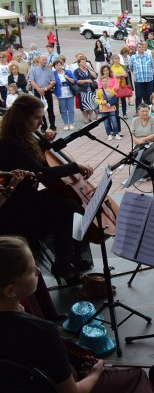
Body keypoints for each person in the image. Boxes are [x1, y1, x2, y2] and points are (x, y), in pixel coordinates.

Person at [0, 236, 154, 393]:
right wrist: (95, 373)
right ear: (10, 290)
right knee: (135, 376)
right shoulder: (42, 333)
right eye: (30, 269)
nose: (38, 270)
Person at [0, 96, 94, 283]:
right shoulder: (11, 143)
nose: (41, 122)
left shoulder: (23, 137)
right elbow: (42, 172)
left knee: (68, 203)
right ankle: (63, 264)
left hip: (26, 196)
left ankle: (69, 260)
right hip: (14, 204)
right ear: (21, 118)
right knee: (69, 207)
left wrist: (43, 144)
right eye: (37, 118)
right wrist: (75, 166)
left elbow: (38, 162)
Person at [95, 66, 121, 140]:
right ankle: (109, 134)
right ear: (101, 82)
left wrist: (110, 103)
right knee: (106, 122)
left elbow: (114, 98)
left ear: (108, 82)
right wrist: (101, 102)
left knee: (114, 120)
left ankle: (116, 133)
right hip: (103, 109)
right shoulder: (99, 91)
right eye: (103, 81)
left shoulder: (111, 90)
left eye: (106, 81)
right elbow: (96, 99)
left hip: (111, 108)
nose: (105, 82)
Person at [51, 59, 77, 131]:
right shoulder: (53, 74)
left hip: (69, 92)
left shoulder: (68, 72)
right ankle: (66, 123)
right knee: (63, 110)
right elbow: (52, 82)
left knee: (71, 109)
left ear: (62, 65)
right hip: (60, 93)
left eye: (59, 65)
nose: (58, 66)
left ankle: (71, 123)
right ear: (54, 66)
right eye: (57, 65)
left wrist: (67, 78)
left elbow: (75, 80)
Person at [73, 58, 98, 125]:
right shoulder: (76, 71)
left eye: (85, 62)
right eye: (83, 62)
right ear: (79, 63)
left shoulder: (88, 69)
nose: (84, 63)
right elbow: (76, 81)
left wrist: (89, 69)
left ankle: (90, 117)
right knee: (84, 105)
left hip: (91, 89)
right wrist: (86, 81)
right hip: (82, 90)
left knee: (92, 103)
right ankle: (85, 118)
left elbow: (95, 76)